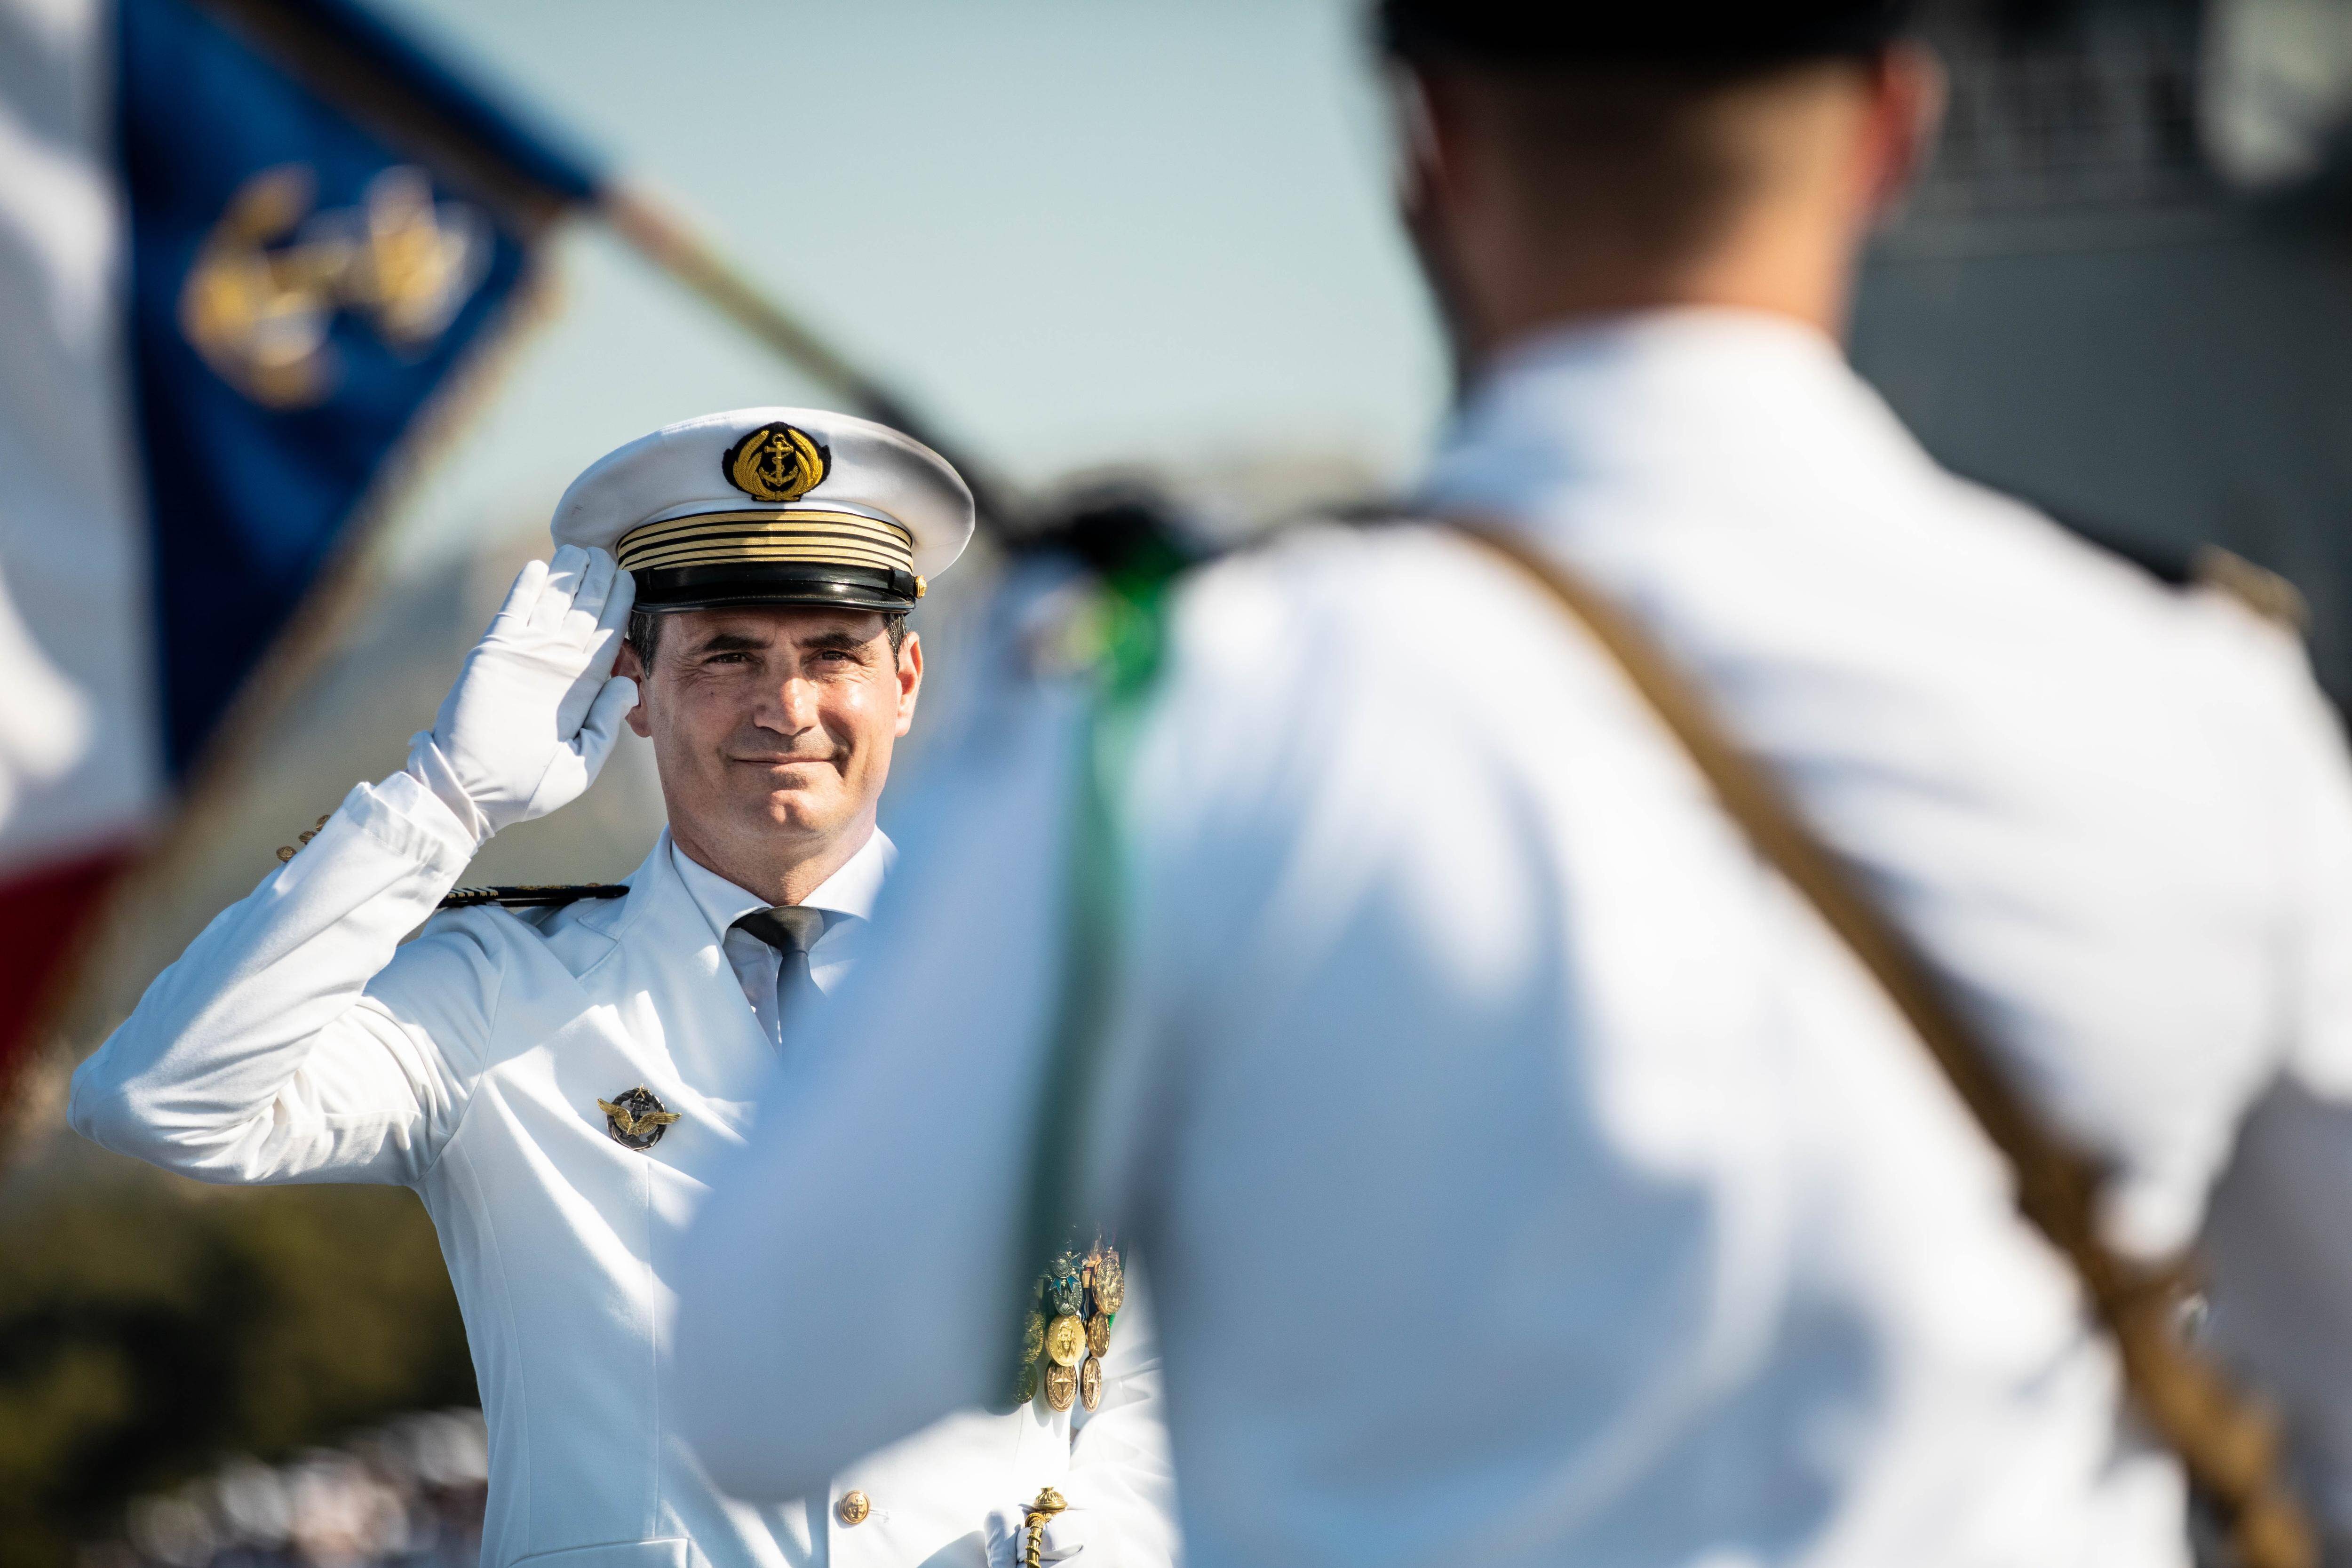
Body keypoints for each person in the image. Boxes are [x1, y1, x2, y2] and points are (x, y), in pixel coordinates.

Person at [666, 9, 2352, 1568]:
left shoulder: (1186, 708)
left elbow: (775, 1376)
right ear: (1891, 131)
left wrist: (1022, 735)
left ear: (1430, 151)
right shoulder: (2202, 701)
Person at [68, 408, 1177, 1568]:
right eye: (728, 654)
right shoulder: (496, 997)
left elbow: (1151, 1368)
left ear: (903, 679)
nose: (786, 707)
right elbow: (157, 1098)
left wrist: (1106, 1541)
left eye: (832, 652)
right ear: (636, 682)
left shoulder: (1058, 990)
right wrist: (446, 798)